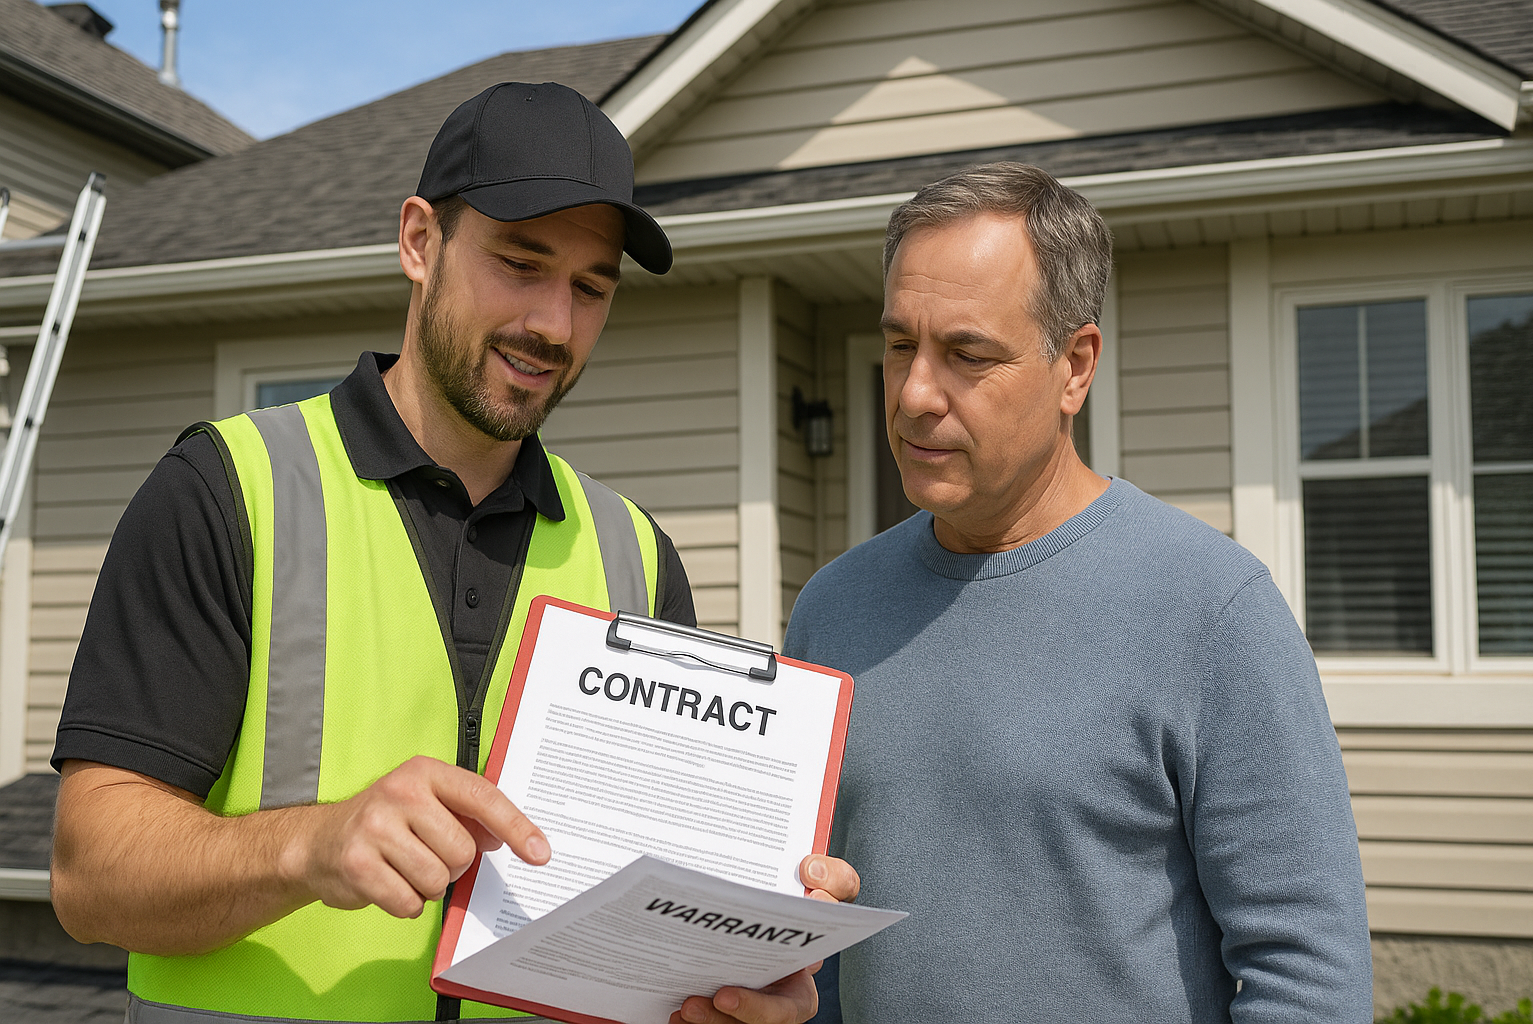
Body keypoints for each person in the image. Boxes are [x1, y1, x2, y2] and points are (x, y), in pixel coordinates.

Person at [49, 82, 856, 1024]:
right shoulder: (229, 491)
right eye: (521, 262)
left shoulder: (635, 554)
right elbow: (88, 876)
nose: (554, 325)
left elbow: (648, 931)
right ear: (420, 242)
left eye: (591, 288)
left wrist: (735, 964)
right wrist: (307, 849)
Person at [786, 162, 1372, 1023]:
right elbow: (813, 944)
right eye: (900, 344)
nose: (915, 394)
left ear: (1075, 367)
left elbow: (1309, 972)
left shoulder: (1212, 609)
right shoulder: (831, 609)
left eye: (967, 354)